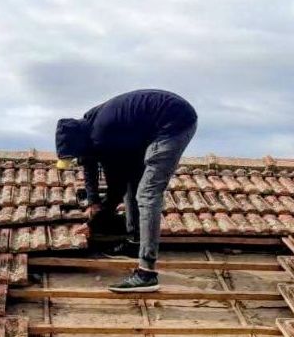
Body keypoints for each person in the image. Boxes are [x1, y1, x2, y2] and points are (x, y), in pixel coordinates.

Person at [55, 89, 197, 292]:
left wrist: (94, 221)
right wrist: (93, 202)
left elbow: (116, 187)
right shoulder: (89, 124)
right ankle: (135, 242)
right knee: (134, 180)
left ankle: (146, 273)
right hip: (147, 132)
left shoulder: (102, 134)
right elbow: (89, 164)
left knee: (147, 194)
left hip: (173, 124)